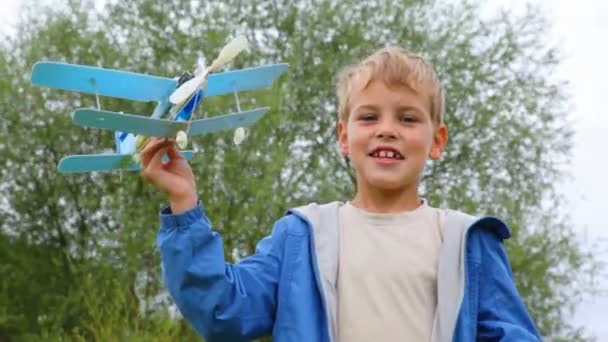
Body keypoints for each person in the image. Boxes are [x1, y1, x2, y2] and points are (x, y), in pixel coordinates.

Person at [141, 46, 541, 342]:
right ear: (343, 138)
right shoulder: (303, 236)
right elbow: (223, 310)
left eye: (407, 118)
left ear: (436, 141)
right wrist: (184, 205)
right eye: (368, 117)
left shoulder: (466, 243)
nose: (387, 129)